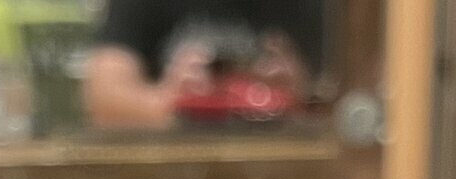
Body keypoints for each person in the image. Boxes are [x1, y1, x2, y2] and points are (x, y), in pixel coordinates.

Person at [84, 0, 323, 129]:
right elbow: (102, 100)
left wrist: (297, 100)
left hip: (278, 177)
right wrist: (169, 101)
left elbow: (338, 110)